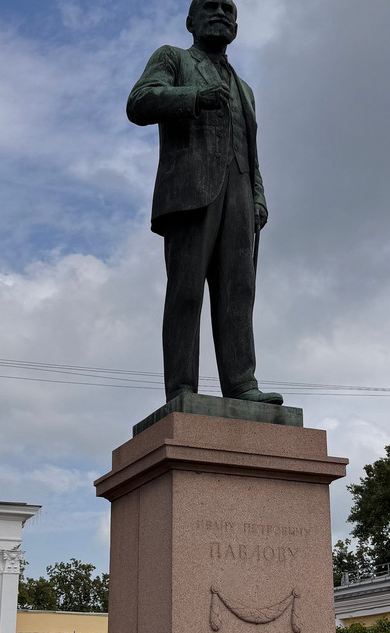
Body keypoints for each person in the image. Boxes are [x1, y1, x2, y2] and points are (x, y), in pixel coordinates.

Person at [127, 0, 283, 405]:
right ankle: (181, 389)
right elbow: (140, 102)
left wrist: (258, 197)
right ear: (189, 22)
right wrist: (195, 97)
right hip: (191, 193)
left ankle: (241, 384)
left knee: (238, 292)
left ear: (236, 25)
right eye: (210, 8)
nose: (221, 14)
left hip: (239, 195)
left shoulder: (245, 89)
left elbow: (251, 151)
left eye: (228, 10)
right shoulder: (173, 58)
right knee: (187, 292)